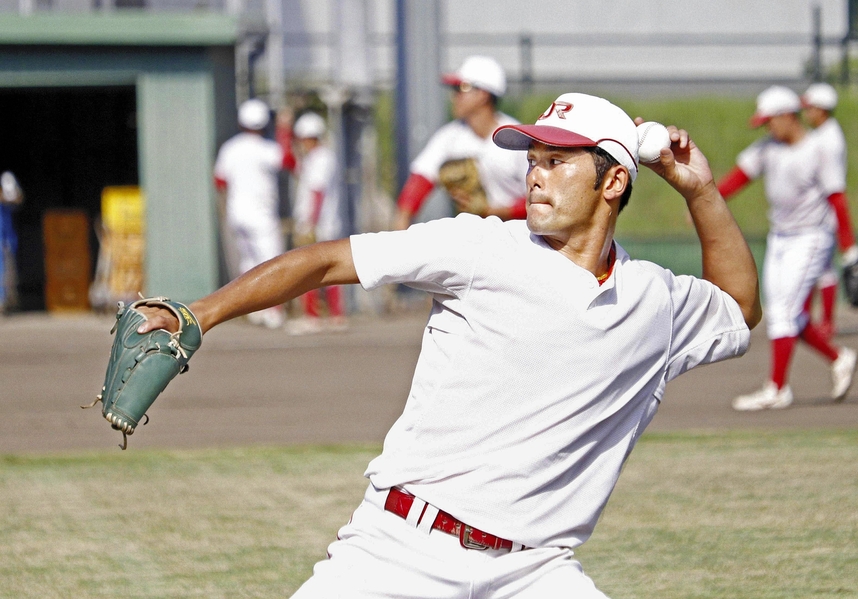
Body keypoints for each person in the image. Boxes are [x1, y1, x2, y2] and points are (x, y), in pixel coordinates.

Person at [137, 93, 761, 598]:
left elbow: (738, 306)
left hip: (535, 571)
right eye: (533, 160)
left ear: (614, 181)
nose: (535, 176)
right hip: (400, 549)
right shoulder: (480, 246)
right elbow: (328, 261)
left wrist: (700, 191)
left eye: (558, 161)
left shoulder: (654, 301)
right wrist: (200, 314)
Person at [717, 85, 858, 411]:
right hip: (779, 237)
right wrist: (706, 199)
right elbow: (740, 176)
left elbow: (837, 198)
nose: (768, 127)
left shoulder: (818, 149)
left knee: (784, 313)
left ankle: (777, 389)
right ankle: (839, 357)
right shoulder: (769, 147)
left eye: (770, 121)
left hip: (812, 237)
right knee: (783, 314)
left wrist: (849, 249)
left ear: (787, 116)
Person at [392, 55, 529, 230]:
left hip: (520, 234)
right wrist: (401, 225)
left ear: (482, 94)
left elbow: (542, 199)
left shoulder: (516, 138)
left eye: (460, 88)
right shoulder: (450, 137)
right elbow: (420, 180)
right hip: (473, 235)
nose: (453, 97)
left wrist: (496, 212)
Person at [214, 98, 296, 329]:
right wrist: (285, 131)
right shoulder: (267, 148)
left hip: (236, 213)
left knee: (248, 262)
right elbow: (288, 161)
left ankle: (251, 310)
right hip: (261, 214)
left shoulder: (229, 147)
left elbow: (220, 180)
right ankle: (272, 310)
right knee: (273, 263)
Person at [800, 82, 858, 339]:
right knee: (822, 269)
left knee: (818, 269)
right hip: (819, 211)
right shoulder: (822, 135)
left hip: (822, 214)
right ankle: (820, 321)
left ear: (821, 110)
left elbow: (836, 190)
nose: (806, 112)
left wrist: (849, 243)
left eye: (810, 107)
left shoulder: (829, 140)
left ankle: (822, 322)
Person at [286, 112, 348, 335]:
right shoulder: (317, 158)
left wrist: (310, 223)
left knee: (307, 271)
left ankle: (313, 316)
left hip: (319, 223)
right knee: (329, 271)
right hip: (323, 222)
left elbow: (317, 192)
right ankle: (335, 315)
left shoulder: (322, 158)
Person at [0, 171, 23, 313]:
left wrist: (11, 196)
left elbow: (19, 199)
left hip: (7, 239)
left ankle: (6, 300)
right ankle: (2, 299)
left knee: (8, 271)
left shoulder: (8, 203)